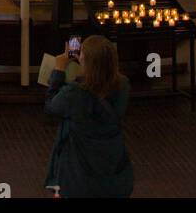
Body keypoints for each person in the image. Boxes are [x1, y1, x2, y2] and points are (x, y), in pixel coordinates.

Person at [44, 35, 133, 199]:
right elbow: (101, 84)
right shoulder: (123, 85)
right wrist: (88, 66)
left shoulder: (75, 93)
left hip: (79, 173)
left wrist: (59, 70)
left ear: (85, 62)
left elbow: (51, 108)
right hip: (114, 166)